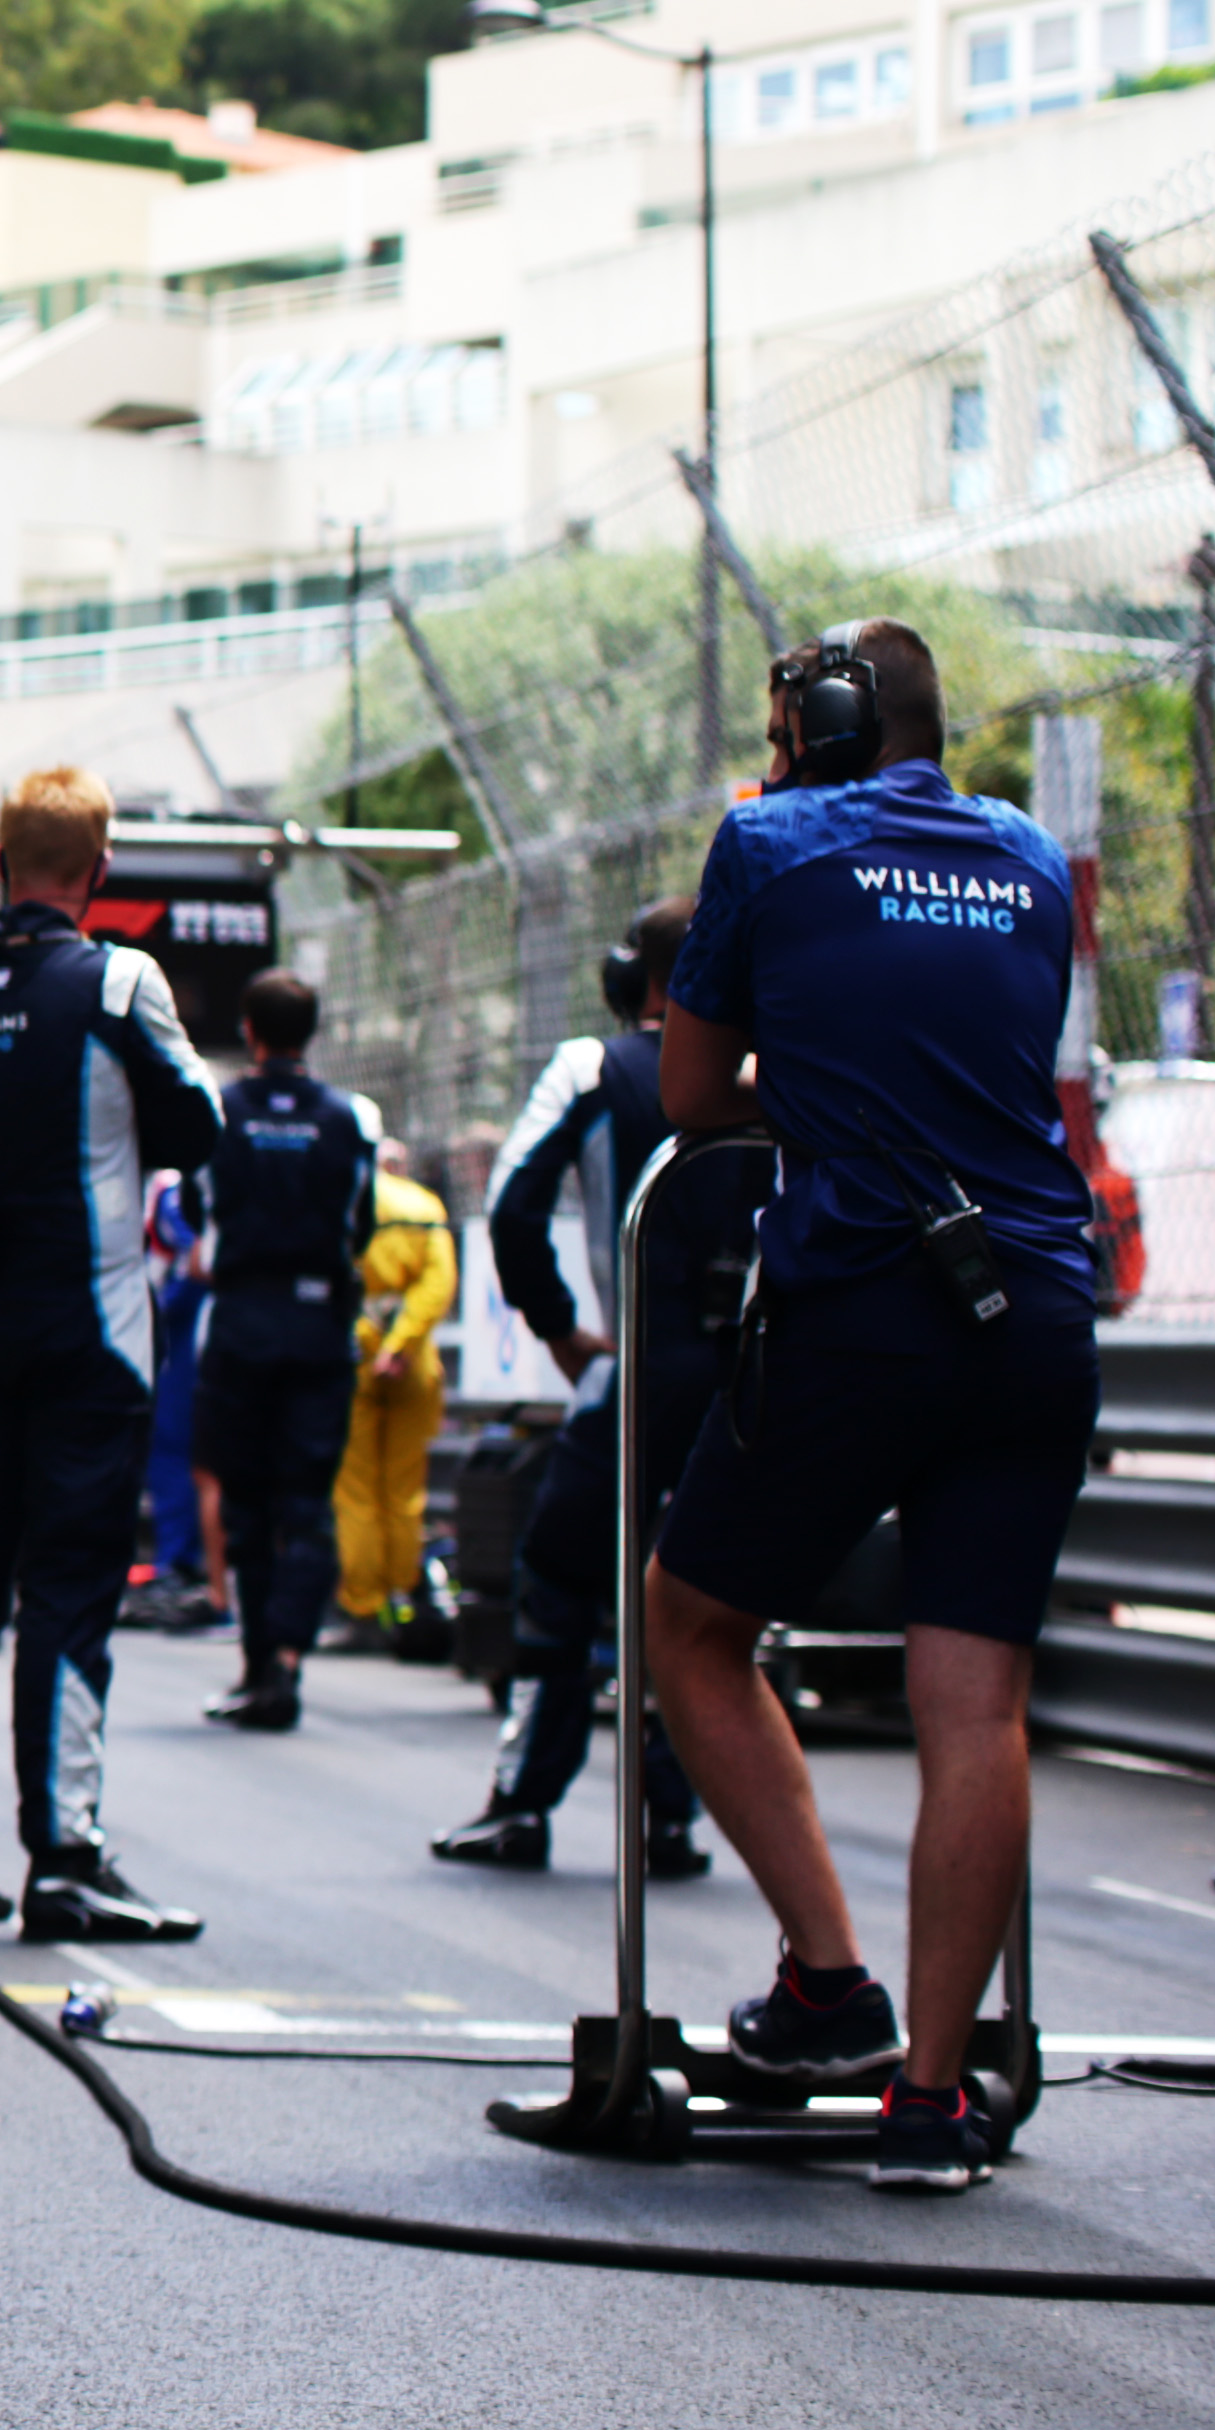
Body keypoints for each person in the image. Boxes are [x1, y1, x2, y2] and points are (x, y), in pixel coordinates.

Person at [644, 621, 1102, 2195]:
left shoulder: (770, 841)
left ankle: (830, 1986)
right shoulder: (1031, 857)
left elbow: (691, 1094)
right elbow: (981, 1047)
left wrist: (809, 1085)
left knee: (692, 1621)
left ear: (827, 727)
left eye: (786, 736)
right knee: (975, 1699)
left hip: (864, 1301)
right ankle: (929, 2100)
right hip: (1037, 1305)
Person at [0, 766, 223, 1940]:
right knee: (66, 1593)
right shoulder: (118, 981)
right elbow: (199, 1125)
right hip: (91, 1336)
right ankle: (64, 1859)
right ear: (100, 868)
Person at [442, 898, 720, 1878]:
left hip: (636, 1372)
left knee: (560, 1577)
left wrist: (558, 1327)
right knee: (706, 1594)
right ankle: (675, 1816)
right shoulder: (777, 1067)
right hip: (753, 1383)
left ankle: (523, 1803)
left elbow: (514, 1202)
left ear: (632, 974)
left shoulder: (593, 1066)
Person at [188, 970, 376, 1735]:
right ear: (312, 1031)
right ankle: (288, 1660)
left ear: (250, 1030)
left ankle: (258, 1663)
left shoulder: (220, 1111)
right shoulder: (346, 1118)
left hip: (241, 1319)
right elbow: (361, 1222)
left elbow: (195, 1207)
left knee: (245, 1502)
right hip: (318, 1322)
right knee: (307, 1502)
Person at [328, 1148, 455, 1649]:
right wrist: (401, 1343)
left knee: (356, 1489)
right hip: (413, 1364)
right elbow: (439, 1282)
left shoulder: (341, 1200)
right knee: (405, 1489)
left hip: (352, 1355)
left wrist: (370, 1339)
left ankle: (363, 1609)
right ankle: (404, 1601)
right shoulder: (423, 1206)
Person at [117, 1174, 222, 1632]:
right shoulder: (175, 1185)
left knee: (182, 1450)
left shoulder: (175, 1187)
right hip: (197, 1325)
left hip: (189, 1330)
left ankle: (182, 1564)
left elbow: (195, 1259)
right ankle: (185, 1564)